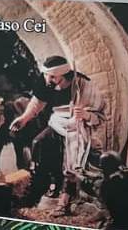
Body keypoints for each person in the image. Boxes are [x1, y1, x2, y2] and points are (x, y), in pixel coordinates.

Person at [8, 55, 107, 205]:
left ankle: (66, 194)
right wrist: (24, 119)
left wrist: (86, 114)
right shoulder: (46, 81)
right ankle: (38, 190)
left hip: (77, 126)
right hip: (57, 122)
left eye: (53, 77)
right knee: (38, 143)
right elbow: (37, 103)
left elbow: (100, 115)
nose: (48, 79)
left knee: (71, 156)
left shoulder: (83, 84)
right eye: (47, 75)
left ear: (64, 75)